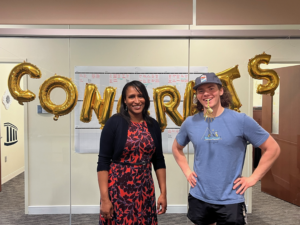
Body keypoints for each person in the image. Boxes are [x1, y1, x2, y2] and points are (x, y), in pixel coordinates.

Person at [172, 73, 280, 225]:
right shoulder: (190, 122)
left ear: (221, 91)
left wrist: (253, 178)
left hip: (230, 198)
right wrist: (187, 171)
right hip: (200, 195)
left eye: (211, 88)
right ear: (197, 95)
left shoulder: (240, 120)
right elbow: (176, 148)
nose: (206, 94)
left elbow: (273, 148)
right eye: (201, 91)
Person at [97, 80, 167, 225]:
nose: (136, 101)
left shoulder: (153, 125)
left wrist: (163, 193)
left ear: (146, 99)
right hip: (119, 190)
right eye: (131, 96)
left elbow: (159, 161)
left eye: (140, 96)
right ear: (125, 100)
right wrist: (105, 199)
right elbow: (103, 163)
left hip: (145, 189)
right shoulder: (114, 123)